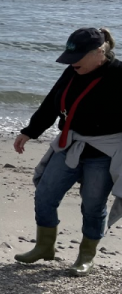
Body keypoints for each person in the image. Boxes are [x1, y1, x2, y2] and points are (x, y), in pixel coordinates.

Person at [12, 27, 122, 276]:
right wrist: (30, 131)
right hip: (70, 144)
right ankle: (44, 247)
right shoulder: (72, 72)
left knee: (93, 205)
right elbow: (51, 103)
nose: (72, 64)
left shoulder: (119, 74)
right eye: (69, 58)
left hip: (104, 152)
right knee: (45, 195)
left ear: (98, 52)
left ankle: (86, 256)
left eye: (77, 58)